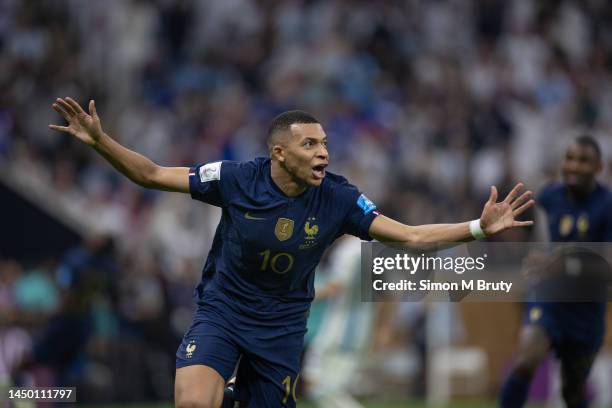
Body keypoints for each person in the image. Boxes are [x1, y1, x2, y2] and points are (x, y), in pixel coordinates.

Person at [49, 97, 534, 408]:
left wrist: (477, 227)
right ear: (280, 153)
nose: (323, 153)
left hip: (280, 326)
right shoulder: (238, 178)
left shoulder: (340, 198)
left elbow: (407, 236)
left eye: (325, 143)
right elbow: (151, 174)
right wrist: (100, 141)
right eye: (310, 144)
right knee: (194, 404)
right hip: (223, 310)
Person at [499, 136, 612, 408]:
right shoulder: (550, 195)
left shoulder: (607, 206)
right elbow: (525, 231)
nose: (574, 166)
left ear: (599, 168)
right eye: (570, 158)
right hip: (549, 296)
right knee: (526, 360)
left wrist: (562, 263)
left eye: (583, 161)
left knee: (572, 392)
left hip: (586, 308)